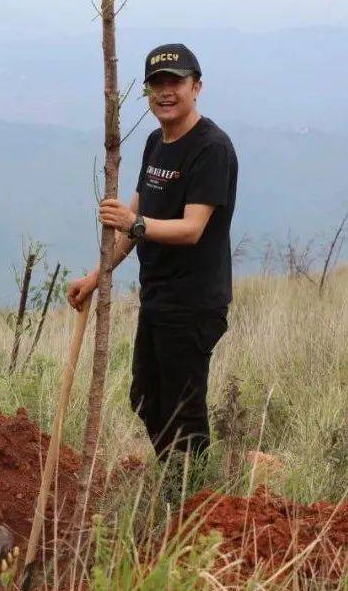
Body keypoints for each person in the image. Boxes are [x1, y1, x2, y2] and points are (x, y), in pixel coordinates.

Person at [68, 44, 238, 466]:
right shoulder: (154, 143)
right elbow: (138, 215)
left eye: (175, 83)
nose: (165, 92)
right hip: (158, 296)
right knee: (145, 397)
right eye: (156, 84)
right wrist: (97, 276)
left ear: (196, 87)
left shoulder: (211, 148)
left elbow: (191, 228)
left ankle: (191, 495)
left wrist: (134, 224)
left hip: (195, 303)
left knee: (185, 409)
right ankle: (173, 476)